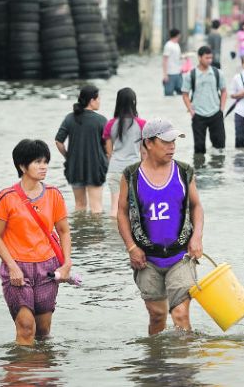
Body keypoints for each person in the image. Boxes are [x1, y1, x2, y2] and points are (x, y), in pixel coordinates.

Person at [116, 118, 204, 335]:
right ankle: (155, 365)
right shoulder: (131, 175)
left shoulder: (184, 171)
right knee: (157, 316)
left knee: (181, 315)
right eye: (165, 141)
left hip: (180, 256)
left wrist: (197, 237)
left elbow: (197, 206)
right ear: (148, 143)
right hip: (147, 259)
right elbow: (121, 213)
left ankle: (184, 366)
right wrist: (131, 248)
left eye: (174, 141)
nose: (172, 146)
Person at [0, 139, 72, 345]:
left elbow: (63, 230)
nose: (43, 166)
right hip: (17, 268)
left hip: (48, 268)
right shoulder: (6, 197)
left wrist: (67, 262)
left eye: (45, 161)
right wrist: (12, 267)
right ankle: (23, 374)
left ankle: (42, 373)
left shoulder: (54, 195)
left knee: (43, 331)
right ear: (22, 166)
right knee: (26, 327)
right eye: (37, 162)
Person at [55, 85, 108, 214]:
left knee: (79, 206)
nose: (99, 101)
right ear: (91, 100)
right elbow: (107, 146)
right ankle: (95, 234)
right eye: (98, 99)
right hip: (95, 167)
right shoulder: (101, 120)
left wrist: (68, 157)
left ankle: (79, 233)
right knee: (96, 208)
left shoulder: (70, 118)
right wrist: (106, 160)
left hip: (75, 166)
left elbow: (58, 141)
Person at [103, 88, 147, 218]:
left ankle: (113, 237)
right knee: (134, 208)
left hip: (115, 169)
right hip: (133, 169)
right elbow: (144, 152)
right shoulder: (141, 124)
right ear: (134, 102)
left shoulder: (110, 124)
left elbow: (109, 152)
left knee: (114, 208)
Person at [181, 46, 227, 154]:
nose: (209, 60)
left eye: (211, 58)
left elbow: (224, 91)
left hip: (216, 113)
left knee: (220, 147)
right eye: (207, 58)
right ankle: (200, 170)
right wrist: (191, 110)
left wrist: (222, 109)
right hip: (198, 115)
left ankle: (218, 170)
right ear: (199, 57)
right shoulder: (190, 75)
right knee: (199, 149)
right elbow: (185, 94)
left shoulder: (218, 73)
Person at [162, 29, 183, 95]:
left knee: (181, 93)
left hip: (178, 73)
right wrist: (165, 75)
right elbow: (164, 60)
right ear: (178, 35)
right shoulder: (168, 45)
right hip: (170, 74)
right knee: (168, 94)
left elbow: (177, 57)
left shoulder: (177, 45)